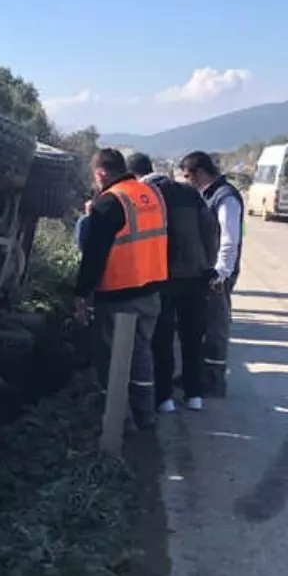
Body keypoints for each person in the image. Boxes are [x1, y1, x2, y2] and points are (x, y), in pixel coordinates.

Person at [73, 148, 170, 430]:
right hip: (151, 292)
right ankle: (145, 414)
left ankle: (117, 420)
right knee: (140, 354)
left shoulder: (109, 202)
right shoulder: (151, 194)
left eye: (95, 177)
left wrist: (81, 293)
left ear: (101, 173)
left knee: (111, 359)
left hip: (119, 294)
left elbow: (94, 255)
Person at [127, 152, 219, 413]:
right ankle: (194, 395)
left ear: (135, 176)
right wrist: (206, 264)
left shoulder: (143, 195)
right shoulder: (190, 193)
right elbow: (210, 231)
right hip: (195, 277)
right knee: (192, 336)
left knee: (162, 338)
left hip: (162, 278)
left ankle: (164, 398)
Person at [178, 150, 245, 398]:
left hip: (218, 275)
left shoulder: (225, 197)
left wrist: (221, 273)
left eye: (188, 176)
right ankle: (196, 375)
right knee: (202, 324)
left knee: (216, 326)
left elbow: (229, 239)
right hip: (208, 272)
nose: (187, 181)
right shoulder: (208, 195)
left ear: (200, 172)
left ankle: (214, 382)